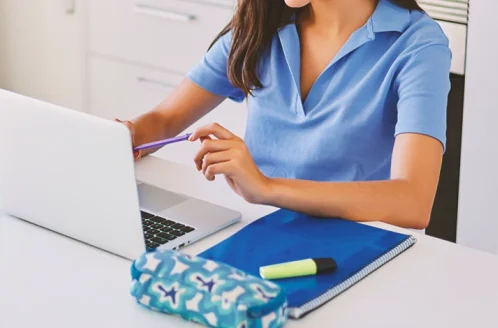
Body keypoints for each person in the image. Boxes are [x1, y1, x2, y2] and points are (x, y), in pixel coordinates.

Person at [116, 0, 451, 230]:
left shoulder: (417, 44)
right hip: (255, 229)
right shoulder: (262, 24)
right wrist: (122, 136)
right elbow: (164, 119)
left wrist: (267, 187)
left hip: (354, 247)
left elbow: (413, 201)